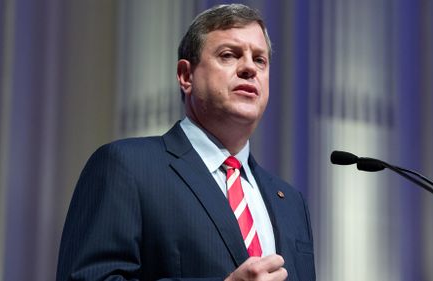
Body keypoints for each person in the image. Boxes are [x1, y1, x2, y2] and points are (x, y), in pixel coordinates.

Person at [56, 4, 315, 281]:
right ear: (186, 76)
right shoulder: (127, 167)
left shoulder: (291, 202)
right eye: (229, 55)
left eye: (260, 60)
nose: (249, 68)